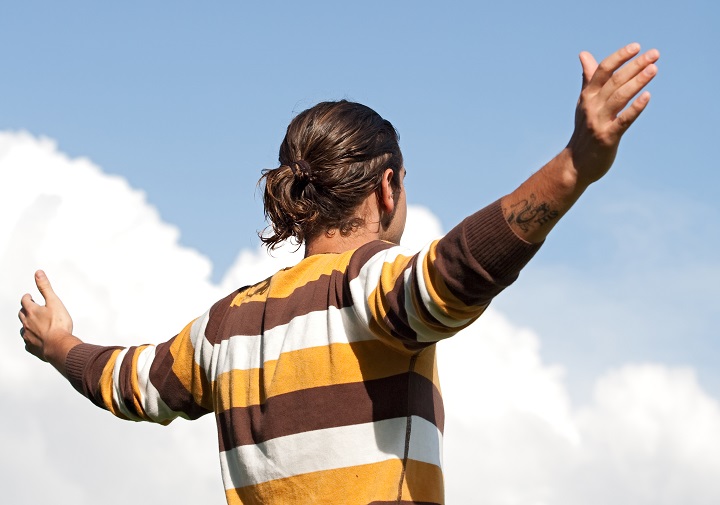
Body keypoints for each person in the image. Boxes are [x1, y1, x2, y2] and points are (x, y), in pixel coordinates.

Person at [18, 43, 658, 504]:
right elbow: (454, 273)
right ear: (388, 188)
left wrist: (59, 345)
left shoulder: (223, 330)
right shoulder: (367, 285)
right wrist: (574, 166)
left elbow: (129, 384)